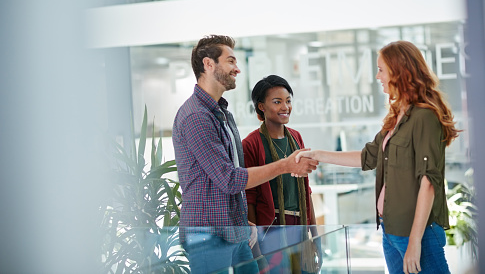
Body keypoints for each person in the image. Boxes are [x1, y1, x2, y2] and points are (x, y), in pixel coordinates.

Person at [296, 41, 460, 274]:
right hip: (390, 230)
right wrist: (317, 154)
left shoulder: (424, 117)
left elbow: (429, 183)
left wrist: (414, 241)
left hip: (416, 234)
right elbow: (367, 157)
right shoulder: (396, 117)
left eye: (381, 70)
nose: (377, 76)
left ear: (399, 71)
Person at [172, 35, 319, 274]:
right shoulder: (196, 116)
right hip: (208, 236)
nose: (237, 69)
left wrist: (242, 221)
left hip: (236, 231)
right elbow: (230, 179)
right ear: (209, 64)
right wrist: (285, 165)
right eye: (230, 61)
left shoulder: (222, 114)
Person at [242, 75, 321, 273]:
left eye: (288, 101)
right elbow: (249, 198)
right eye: (277, 102)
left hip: (300, 227)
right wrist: (258, 250)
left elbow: (306, 190)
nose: (285, 107)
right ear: (261, 106)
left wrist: (316, 235)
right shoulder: (250, 144)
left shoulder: (296, 137)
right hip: (272, 232)